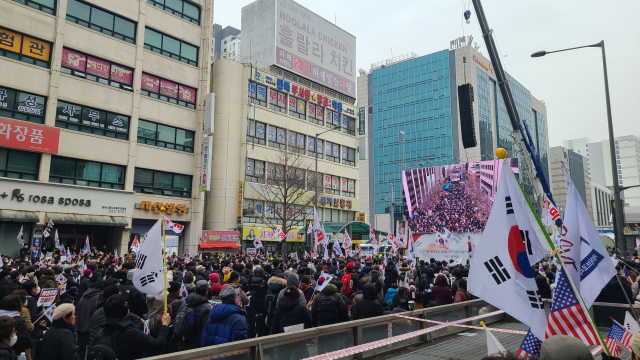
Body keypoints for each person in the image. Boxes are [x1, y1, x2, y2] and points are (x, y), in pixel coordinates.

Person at [89, 295, 171, 360]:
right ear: (124, 311)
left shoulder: (100, 333)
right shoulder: (132, 333)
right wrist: (164, 325)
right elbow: (158, 346)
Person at [177, 281, 211, 351]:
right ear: (206, 291)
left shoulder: (185, 302)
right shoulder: (207, 307)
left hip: (182, 339)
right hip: (196, 344)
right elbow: (205, 328)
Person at [76, 281, 103, 358]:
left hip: (80, 329)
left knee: (82, 353)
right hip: (91, 331)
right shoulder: (98, 298)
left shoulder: (83, 296)